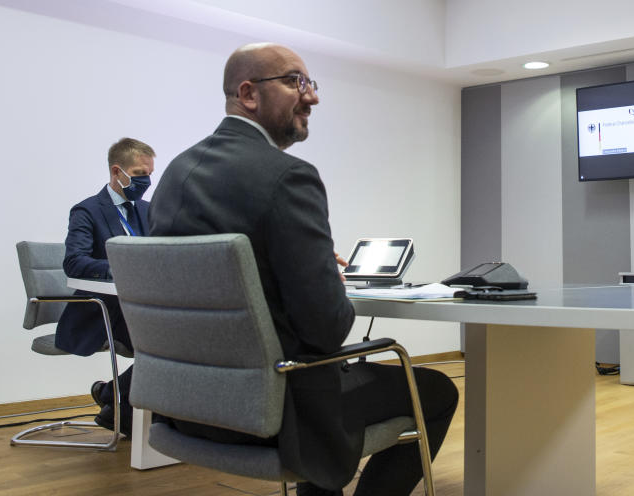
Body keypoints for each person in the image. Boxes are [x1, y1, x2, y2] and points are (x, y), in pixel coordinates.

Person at [148, 43, 458, 496]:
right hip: (278, 414)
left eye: (310, 83)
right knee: (436, 391)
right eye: (295, 81)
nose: (312, 97)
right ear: (249, 94)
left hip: (187, 407)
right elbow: (327, 329)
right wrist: (329, 281)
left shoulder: (176, 172)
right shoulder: (287, 176)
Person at [56, 137, 156, 437]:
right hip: (104, 310)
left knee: (183, 342)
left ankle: (112, 396)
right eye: (139, 174)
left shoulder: (148, 210)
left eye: (150, 173)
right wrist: (122, 268)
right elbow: (74, 262)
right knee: (164, 345)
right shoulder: (87, 211)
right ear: (117, 172)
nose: (147, 181)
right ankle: (120, 406)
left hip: (144, 306)